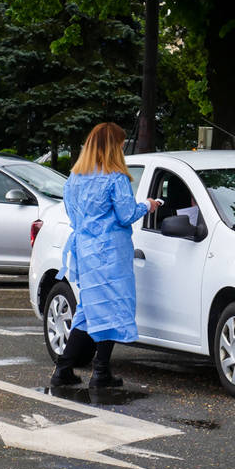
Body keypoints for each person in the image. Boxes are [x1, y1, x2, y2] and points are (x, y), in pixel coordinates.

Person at [51, 122, 159, 388]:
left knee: (89, 309)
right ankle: (100, 372)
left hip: (85, 251)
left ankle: (64, 370)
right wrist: (148, 205)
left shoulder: (74, 178)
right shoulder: (115, 177)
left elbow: (72, 213)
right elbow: (125, 215)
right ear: (113, 147)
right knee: (110, 307)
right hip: (110, 252)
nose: (123, 149)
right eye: (121, 145)